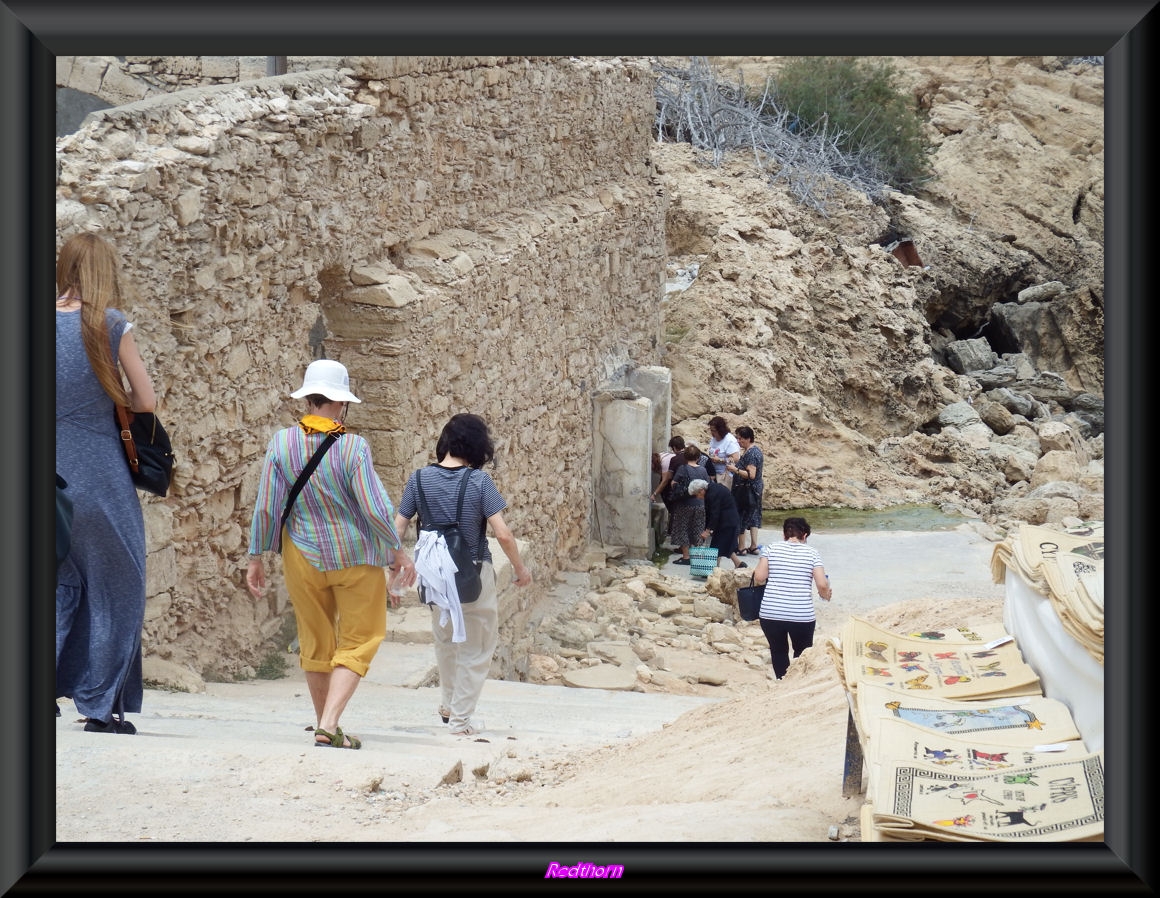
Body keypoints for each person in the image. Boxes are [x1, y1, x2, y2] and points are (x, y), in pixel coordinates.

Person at [246, 359, 415, 750]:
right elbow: (373, 507)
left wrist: (257, 556)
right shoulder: (353, 447)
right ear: (341, 404)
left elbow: (267, 506)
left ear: (308, 398)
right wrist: (397, 551)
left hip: (301, 556)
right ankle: (330, 722)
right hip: (355, 555)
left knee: (315, 640)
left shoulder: (281, 443)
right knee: (360, 638)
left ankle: (325, 725)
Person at [56, 232, 157, 734]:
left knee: (58, 584)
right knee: (120, 587)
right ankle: (100, 705)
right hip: (96, 477)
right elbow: (145, 401)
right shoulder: (109, 324)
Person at [394, 413, 532, 736]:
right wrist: (520, 569)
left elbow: (397, 526)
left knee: (445, 638)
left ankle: (447, 704)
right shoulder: (479, 482)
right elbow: (504, 535)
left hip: (433, 575)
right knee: (479, 644)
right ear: (476, 446)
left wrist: (393, 567)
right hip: (471, 573)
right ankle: (459, 721)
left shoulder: (418, 479)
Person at [751, 516, 832, 680]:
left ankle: (782, 681)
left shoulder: (771, 548)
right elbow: (822, 585)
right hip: (801, 615)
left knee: (778, 650)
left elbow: (759, 577)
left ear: (784, 534)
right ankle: (795, 683)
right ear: (805, 536)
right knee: (802, 652)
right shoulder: (812, 553)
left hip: (771, 612)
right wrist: (826, 595)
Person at [688, 478, 747, 569]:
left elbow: (715, 514)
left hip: (727, 521)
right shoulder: (711, 490)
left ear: (701, 490)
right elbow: (709, 513)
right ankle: (738, 564)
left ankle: (714, 568)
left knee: (717, 546)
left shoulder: (713, 493)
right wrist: (706, 528)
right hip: (726, 521)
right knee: (724, 545)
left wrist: (708, 530)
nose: (697, 498)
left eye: (696, 495)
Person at [668, 445, 709, 565]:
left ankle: (686, 556)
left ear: (685, 456)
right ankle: (697, 557)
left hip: (685, 503)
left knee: (682, 528)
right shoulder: (703, 470)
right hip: (700, 504)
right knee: (697, 528)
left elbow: (673, 483)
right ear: (698, 457)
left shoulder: (682, 468)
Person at [726, 425, 765, 555]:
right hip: (754, 489)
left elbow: (751, 475)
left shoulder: (752, 454)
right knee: (753, 516)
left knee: (741, 516)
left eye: (741, 439)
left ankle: (741, 547)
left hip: (747, 491)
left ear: (748, 438)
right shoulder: (752, 451)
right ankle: (753, 546)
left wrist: (735, 469)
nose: (738, 441)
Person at [649, 434, 685, 545]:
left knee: (673, 507)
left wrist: (654, 494)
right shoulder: (663, 456)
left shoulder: (665, 462)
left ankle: (673, 530)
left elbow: (665, 481)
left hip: (676, 484)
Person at [707, 416, 741, 486]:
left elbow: (736, 459)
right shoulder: (714, 439)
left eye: (714, 431)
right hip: (714, 473)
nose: (712, 433)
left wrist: (720, 460)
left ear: (720, 430)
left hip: (724, 475)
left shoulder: (729, 440)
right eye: (711, 430)